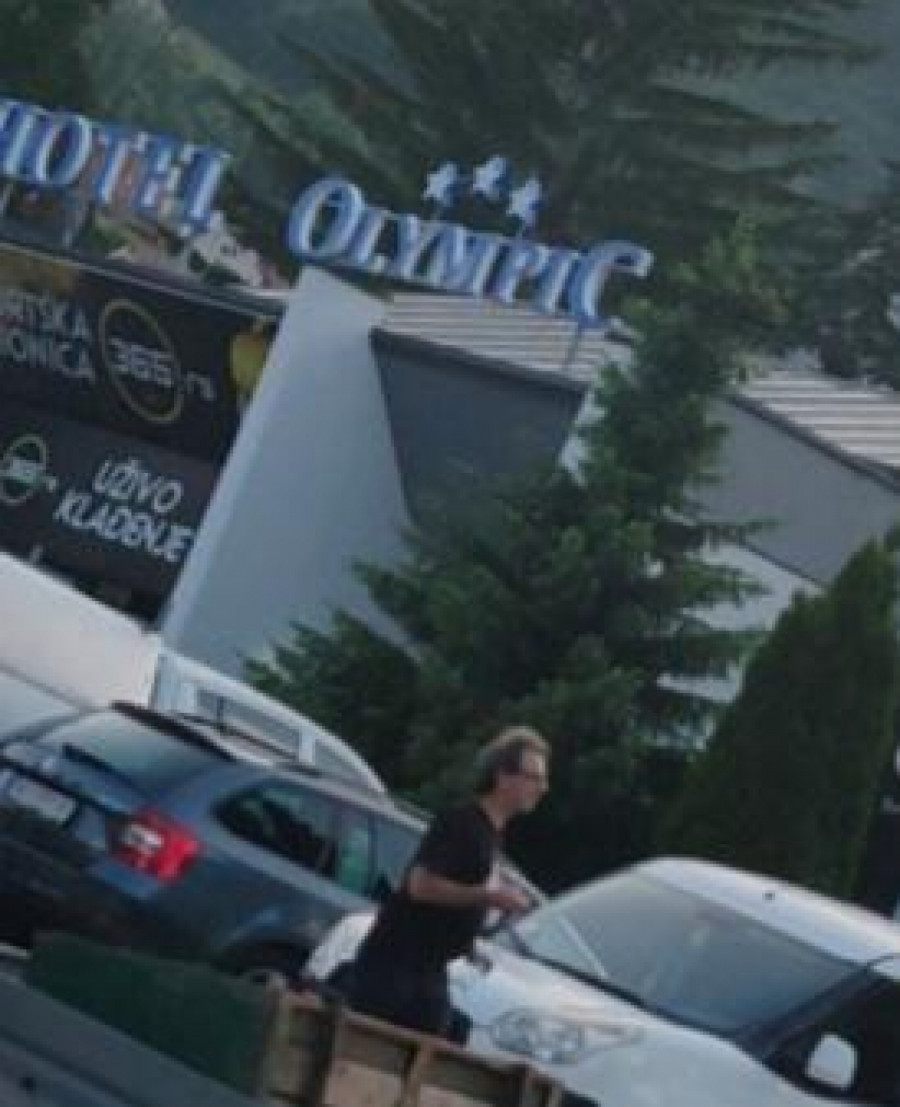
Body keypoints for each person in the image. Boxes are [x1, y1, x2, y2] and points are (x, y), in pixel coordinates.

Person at [347, 726, 549, 1041]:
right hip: (394, 966)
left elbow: (455, 901)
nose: (542, 788)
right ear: (503, 777)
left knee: (438, 1032)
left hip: (428, 968)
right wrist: (490, 896)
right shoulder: (462, 823)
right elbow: (420, 886)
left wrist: (466, 942)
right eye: (533, 777)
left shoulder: (490, 835)